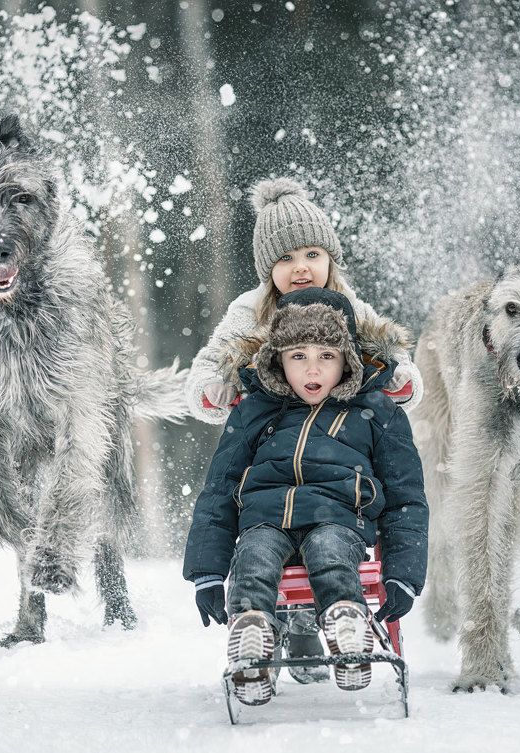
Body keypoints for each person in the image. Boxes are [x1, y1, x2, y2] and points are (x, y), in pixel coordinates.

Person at [184, 176, 424, 681]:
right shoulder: (248, 312)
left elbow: (390, 356)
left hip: (337, 460)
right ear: (267, 269)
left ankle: (336, 626)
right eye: (286, 259)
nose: (300, 268)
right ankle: (269, 634)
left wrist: (397, 382)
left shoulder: (353, 309)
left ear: (331, 260)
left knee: (328, 545)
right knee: (261, 546)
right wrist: (218, 388)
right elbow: (214, 364)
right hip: (272, 450)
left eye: (312, 254)